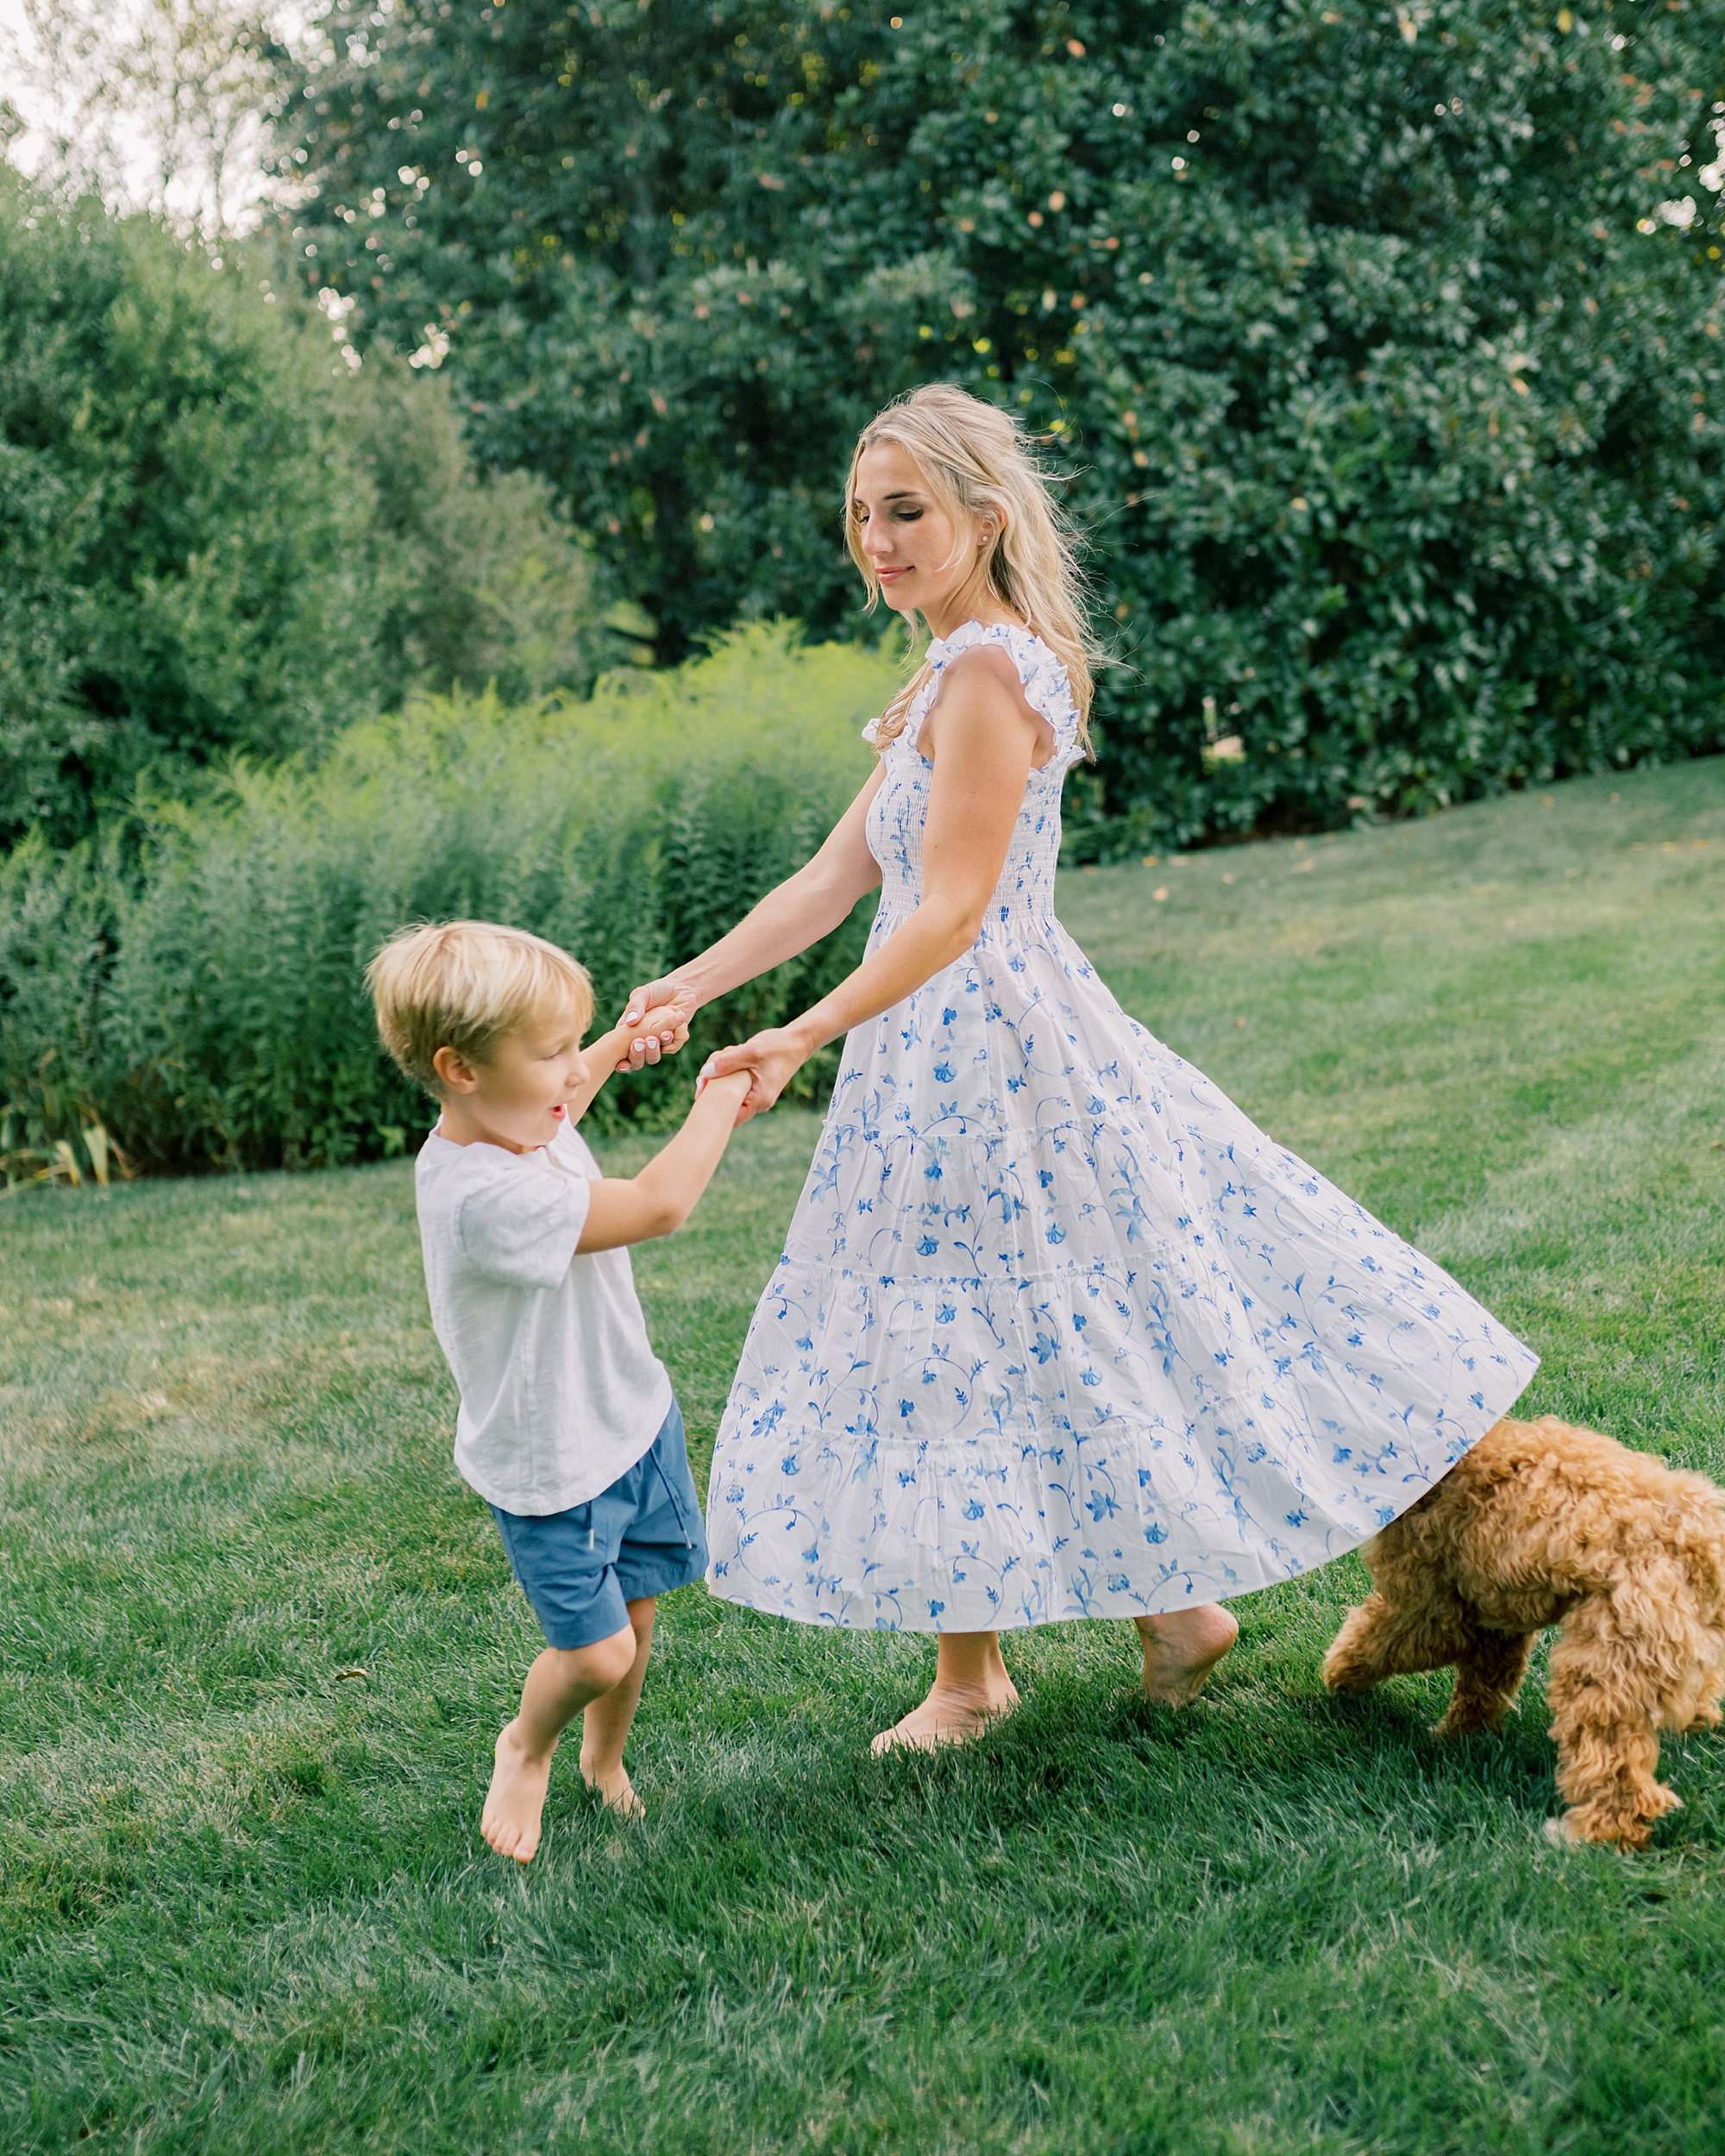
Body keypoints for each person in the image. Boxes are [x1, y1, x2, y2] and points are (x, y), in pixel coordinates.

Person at [619, 383, 1539, 1755]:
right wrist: (693, 986)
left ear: (985, 520)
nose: (878, 539)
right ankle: (1163, 1619)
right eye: (862, 515)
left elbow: (949, 907)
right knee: (1012, 1327)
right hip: (943, 1048)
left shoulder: (989, 672)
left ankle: (984, 1676)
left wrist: (805, 1032)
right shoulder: (946, 667)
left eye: (908, 512)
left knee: (976, 1335)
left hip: (984, 1052)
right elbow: (842, 873)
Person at [366, 919, 748, 1859]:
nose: (570, 1071)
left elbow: (563, 1092)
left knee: (641, 1607)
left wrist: (620, 1041)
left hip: (631, 1413)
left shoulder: (519, 1113)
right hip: (555, 1461)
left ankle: (602, 1761)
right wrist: (725, 1094)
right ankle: (526, 1745)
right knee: (596, 1650)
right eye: (553, 1051)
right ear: (460, 1069)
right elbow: (658, 1206)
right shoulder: (480, 1195)